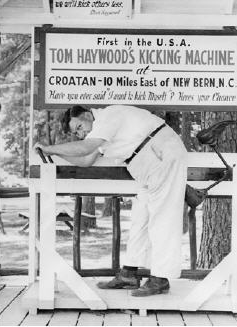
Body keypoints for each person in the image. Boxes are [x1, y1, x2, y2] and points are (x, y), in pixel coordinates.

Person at [35, 105, 188, 297]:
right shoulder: (100, 132)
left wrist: (49, 148)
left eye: (79, 127)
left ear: (86, 115)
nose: (81, 134)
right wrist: (55, 153)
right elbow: (86, 160)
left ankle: (160, 278)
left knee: (162, 219)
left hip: (162, 154)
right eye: (77, 132)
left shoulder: (109, 115)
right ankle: (129, 274)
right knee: (139, 218)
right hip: (146, 165)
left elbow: (85, 148)